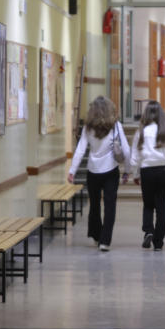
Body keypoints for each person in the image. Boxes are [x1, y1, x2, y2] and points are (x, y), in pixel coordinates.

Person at [68, 96, 130, 252]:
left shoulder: (88, 128)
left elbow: (81, 149)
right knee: (110, 206)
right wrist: (128, 171)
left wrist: (72, 171)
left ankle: (96, 235)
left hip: (93, 171)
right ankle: (105, 241)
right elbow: (127, 151)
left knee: (94, 205)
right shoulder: (116, 126)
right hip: (111, 171)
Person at [128, 100, 165, 251]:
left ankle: (148, 231)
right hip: (164, 171)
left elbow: (135, 156)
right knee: (161, 207)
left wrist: (135, 173)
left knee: (148, 205)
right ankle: (158, 243)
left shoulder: (141, 132)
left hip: (147, 171)